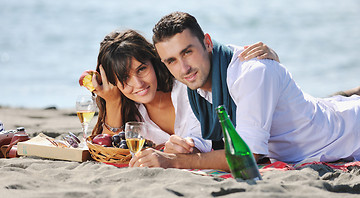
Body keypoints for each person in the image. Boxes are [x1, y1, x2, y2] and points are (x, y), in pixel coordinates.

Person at [129, 11, 360, 170]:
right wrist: (184, 146)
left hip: (348, 135)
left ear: (207, 42)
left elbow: (246, 156)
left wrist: (173, 161)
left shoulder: (252, 74)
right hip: (323, 114)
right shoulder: (194, 83)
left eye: (187, 52)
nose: (183, 68)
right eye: (171, 60)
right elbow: (205, 137)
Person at [89, 29, 279, 155]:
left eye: (141, 69)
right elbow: (106, 149)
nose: (137, 83)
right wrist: (112, 101)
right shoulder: (132, 114)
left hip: (271, 145)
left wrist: (266, 60)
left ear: (154, 62)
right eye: (124, 78)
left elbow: (214, 58)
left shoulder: (188, 84)